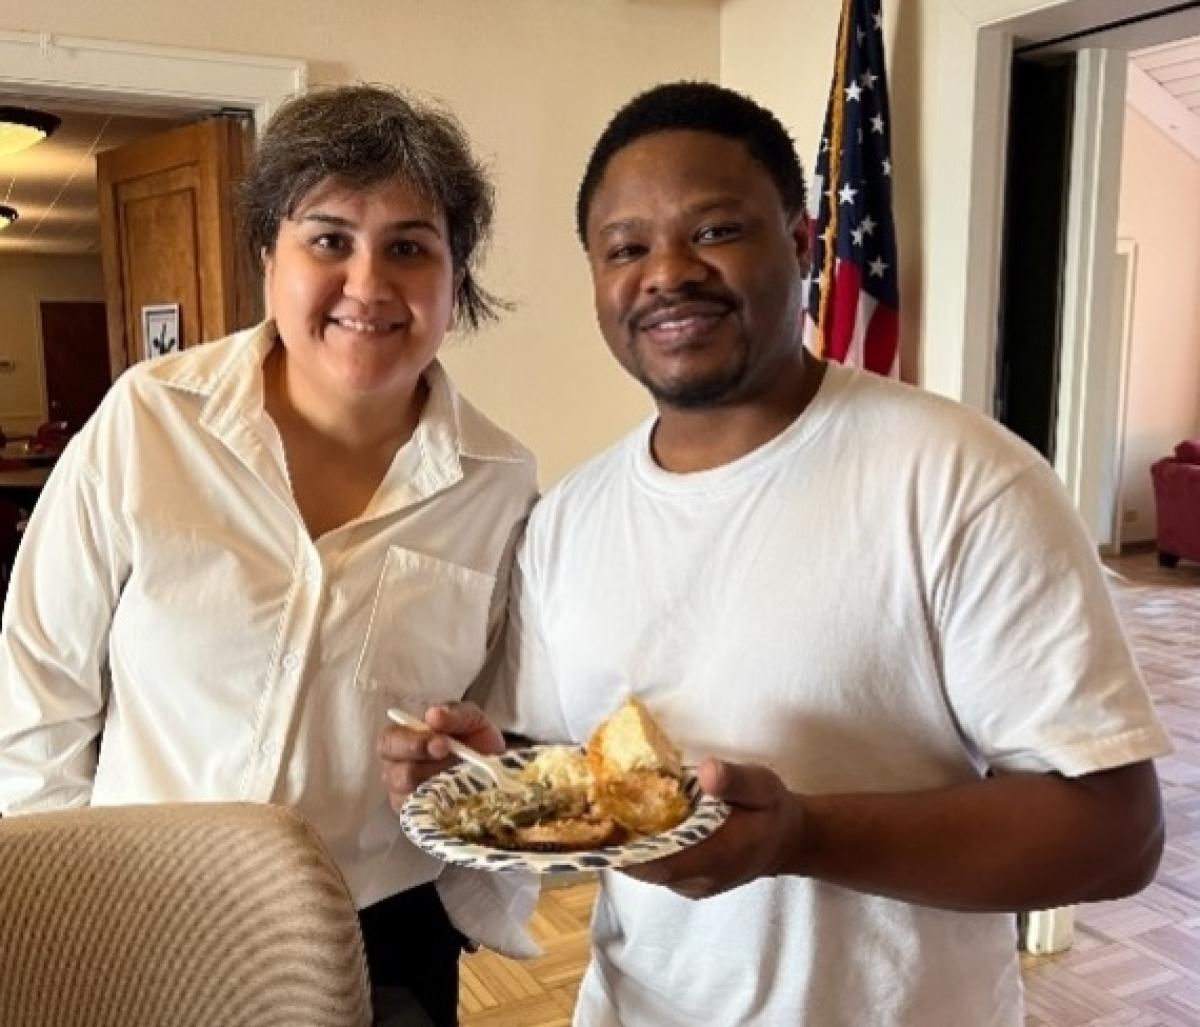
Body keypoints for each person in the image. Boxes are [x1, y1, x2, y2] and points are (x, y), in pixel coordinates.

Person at [379, 81, 1172, 1026]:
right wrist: (489, 774)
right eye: (626, 247)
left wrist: (800, 834)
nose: (666, 272)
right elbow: (578, 756)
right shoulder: (570, 518)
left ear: (801, 243)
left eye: (713, 231)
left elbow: (1117, 833)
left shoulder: (960, 478)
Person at [0, 84, 538, 1027]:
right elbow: (36, 693)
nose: (367, 284)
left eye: (409, 247)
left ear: (458, 280)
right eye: (328, 239)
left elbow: (504, 732)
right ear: (268, 259)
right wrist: (50, 915)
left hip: (380, 933)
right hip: (132, 911)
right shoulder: (147, 421)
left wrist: (478, 769)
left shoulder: (500, 486)